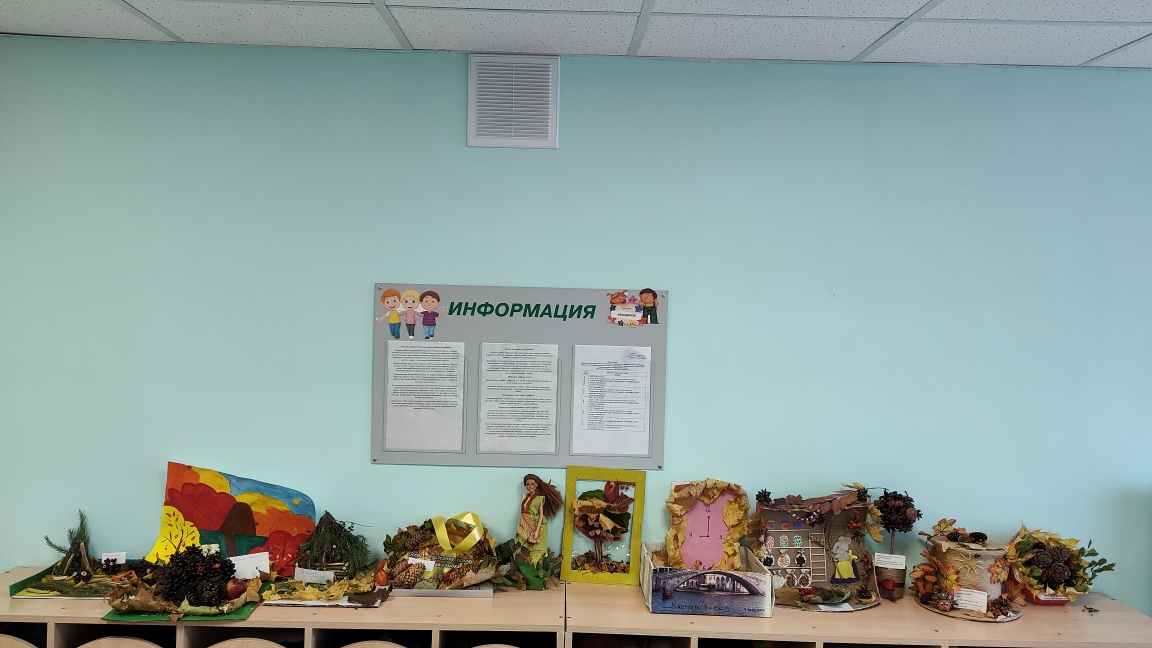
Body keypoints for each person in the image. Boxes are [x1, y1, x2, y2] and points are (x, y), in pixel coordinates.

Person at [517, 474, 563, 566]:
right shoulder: (525, 497)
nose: (529, 487)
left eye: (532, 484)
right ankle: (525, 565)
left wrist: (537, 531)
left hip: (536, 524)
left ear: (536, 485)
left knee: (536, 547)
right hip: (525, 523)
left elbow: (541, 515)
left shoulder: (539, 499)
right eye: (527, 484)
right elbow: (523, 512)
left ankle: (537, 567)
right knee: (523, 545)